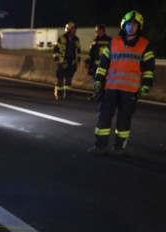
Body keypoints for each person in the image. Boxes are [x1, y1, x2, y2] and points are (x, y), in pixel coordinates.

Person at [88, 10, 155, 156]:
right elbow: (103, 64)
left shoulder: (145, 45)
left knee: (124, 120)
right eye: (129, 24)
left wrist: (146, 85)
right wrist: (98, 80)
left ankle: (119, 147)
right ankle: (100, 146)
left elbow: (149, 68)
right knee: (104, 117)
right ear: (123, 25)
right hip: (110, 87)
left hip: (130, 90)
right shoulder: (114, 42)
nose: (131, 27)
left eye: (134, 24)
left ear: (139, 27)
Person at [52, 22, 81, 99]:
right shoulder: (61, 38)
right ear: (68, 29)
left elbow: (78, 51)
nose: (74, 30)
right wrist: (56, 59)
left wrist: (78, 60)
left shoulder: (76, 39)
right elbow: (56, 49)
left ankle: (67, 94)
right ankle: (58, 94)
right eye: (73, 29)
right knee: (60, 78)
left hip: (71, 61)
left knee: (69, 78)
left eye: (75, 29)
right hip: (62, 61)